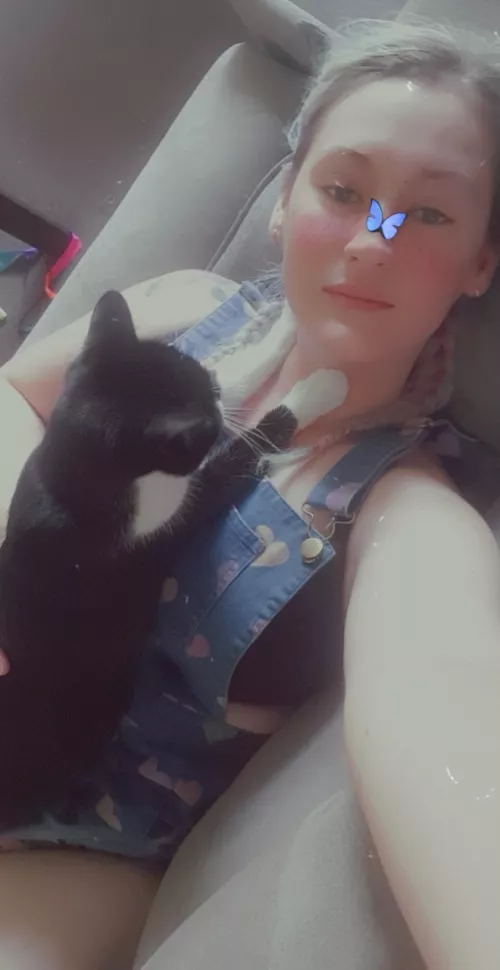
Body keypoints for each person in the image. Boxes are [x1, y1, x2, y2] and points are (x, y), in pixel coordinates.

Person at [0, 18, 498, 970]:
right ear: (282, 199)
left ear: (483, 260)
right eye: (343, 192)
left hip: (86, 850)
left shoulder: (406, 508)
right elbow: (16, 396)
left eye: (429, 215)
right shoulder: (182, 310)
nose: (373, 240)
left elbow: (452, 710)